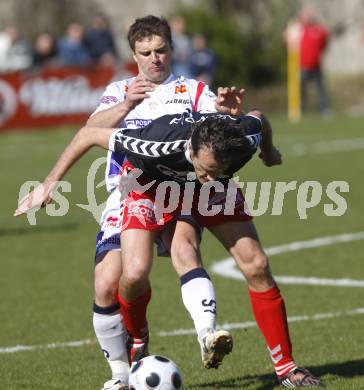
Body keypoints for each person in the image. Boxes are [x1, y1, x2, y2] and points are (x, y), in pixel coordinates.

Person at [16, 109, 324, 388]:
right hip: (148, 186)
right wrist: (49, 183)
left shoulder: (239, 141)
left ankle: (286, 368)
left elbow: (261, 117)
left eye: (218, 169)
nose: (210, 175)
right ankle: (138, 338)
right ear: (191, 148)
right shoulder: (153, 144)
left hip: (207, 194)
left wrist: (267, 152)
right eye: (205, 168)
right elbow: (87, 134)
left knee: (255, 263)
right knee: (135, 272)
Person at [15, 15, 242, 390]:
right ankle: (122, 372)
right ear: (133, 55)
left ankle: (207, 334)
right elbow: (90, 128)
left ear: (172, 49)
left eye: (161, 50)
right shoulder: (119, 91)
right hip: (129, 194)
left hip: (176, 191)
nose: (155, 59)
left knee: (185, 250)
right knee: (113, 282)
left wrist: (225, 112)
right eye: (146, 53)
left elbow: (215, 135)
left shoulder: (192, 89)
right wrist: (125, 107)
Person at [297, 6, 330, 115]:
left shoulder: (319, 29)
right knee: (302, 91)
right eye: (305, 15)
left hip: (316, 66)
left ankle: (324, 109)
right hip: (302, 66)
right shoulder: (297, 30)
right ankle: (301, 110)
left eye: (309, 15)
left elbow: (324, 43)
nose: (308, 17)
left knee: (321, 89)